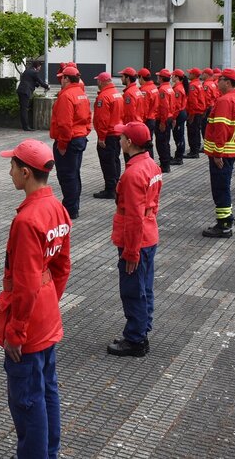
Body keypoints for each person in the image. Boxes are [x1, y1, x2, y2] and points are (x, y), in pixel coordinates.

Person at [0, 139, 71, 459]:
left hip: (28, 321)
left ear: (26, 173)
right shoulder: (57, 207)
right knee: (47, 390)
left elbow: (24, 284)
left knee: (27, 400)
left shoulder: (26, 221)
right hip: (46, 313)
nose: (9, 170)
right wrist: (50, 298)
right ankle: (48, 452)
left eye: (12, 165)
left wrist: (15, 332)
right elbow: (62, 265)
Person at [108, 121, 162, 358]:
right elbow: (153, 205)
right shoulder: (152, 165)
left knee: (132, 290)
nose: (119, 140)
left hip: (135, 241)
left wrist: (131, 252)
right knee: (145, 288)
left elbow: (133, 218)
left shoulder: (133, 173)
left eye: (122, 137)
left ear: (129, 143)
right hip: (149, 235)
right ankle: (141, 329)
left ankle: (136, 339)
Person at [202, 69, 235, 238]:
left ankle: (224, 225)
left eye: (219, 80)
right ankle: (226, 219)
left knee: (220, 188)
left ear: (227, 82)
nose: (217, 82)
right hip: (230, 150)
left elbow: (221, 128)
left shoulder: (225, 101)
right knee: (223, 186)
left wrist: (218, 152)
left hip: (222, 153)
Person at [50, 65, 92, 220]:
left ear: (67, 79)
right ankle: (73, 205)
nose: (60, 80)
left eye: (62, 77)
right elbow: (88, 118)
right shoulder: (81, 94)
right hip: (78, 138)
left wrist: (62, 144)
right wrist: (85, 132)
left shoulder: (66, 96)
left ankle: (70, 208)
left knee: (67, 175)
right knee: (74, 174)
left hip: (68, 141)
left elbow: (64, 124)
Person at [92, 71, 122, 200]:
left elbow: (102, 119)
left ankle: (110, 189)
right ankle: (115, 186)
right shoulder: (117, 94)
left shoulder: (104, 97)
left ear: (102, 81)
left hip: (108, 134)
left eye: (98, 81)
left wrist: (101, 136)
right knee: (115, 160)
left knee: (108, 162)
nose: (97, 83)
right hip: (117, 133)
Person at [17, 60, 50, 131]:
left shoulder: (27, 71)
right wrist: (47, 86)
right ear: (38, 66)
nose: (40, 68)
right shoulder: (34, 72)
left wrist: (37, 85)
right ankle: (26, 127)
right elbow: (40, 81)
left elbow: (30, 80)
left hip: (21, 90)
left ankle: (24, 126)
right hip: (26, 91)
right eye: (40, 66)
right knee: (24, 109)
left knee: (23, 108)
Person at [155, 69, 176, 173]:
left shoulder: (163, 90)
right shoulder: (170, 88)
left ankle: (164, 165)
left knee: (161, 143)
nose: (157, 78)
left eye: (159, 76)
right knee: (165, 142)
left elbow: (164, 107)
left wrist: (162, 122)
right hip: (169, 117)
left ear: (162, 78)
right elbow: (173, 105)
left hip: (163, 119)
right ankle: (166, 162)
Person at [185, 68, 206, 158]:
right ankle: (196, 149)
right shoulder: (199, 84)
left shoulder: (193, 85)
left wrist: (191, 114)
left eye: (190, 73)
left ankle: (194, 152)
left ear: (194, 75)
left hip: (195, 112)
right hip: (199, 111)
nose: (189, 75)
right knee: (196, 131)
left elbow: (193, 101)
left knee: (193, 132)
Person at [171, 69, 188, 165]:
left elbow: (176, 106)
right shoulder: (179, 87)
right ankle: (179, 155)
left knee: (179, 136)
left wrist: (174, 118)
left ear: (177, 77)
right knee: (179, 135)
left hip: (179, 114)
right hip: (181, 113)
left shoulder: (178, 89)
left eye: (173, 75)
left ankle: (179, 157)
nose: (171, 77)